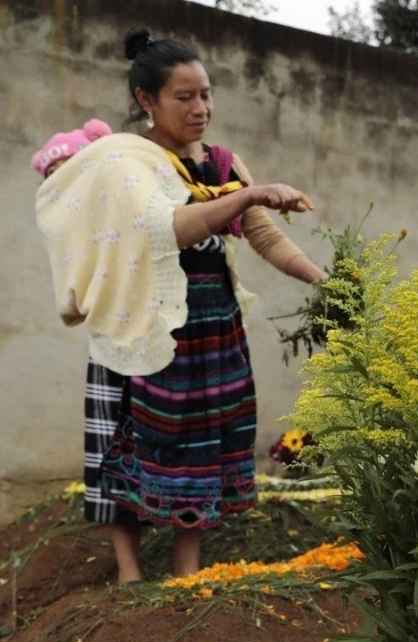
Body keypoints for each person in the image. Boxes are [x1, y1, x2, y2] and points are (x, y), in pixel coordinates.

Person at [35, 29, 325, 584]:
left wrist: (324, 282)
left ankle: (185, 570)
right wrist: (249, 194)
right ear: (147, 99)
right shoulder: (126, 163)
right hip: (142, 325)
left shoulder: (223, 164)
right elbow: (168, 227)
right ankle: (129, 574)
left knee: (200, 446)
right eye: (184, 97)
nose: (201, 109)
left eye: (207, 95)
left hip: (211, 329)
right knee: (129, 442)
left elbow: (264, 236)